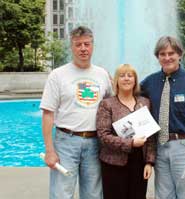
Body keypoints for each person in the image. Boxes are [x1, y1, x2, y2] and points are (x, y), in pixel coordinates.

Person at [40, 26, 113, 199]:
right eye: (78, 44)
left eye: (87, 44)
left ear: (93, 46)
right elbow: (48, 114)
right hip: (66, 142)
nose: (83, 48)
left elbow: (112, 106)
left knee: (94, 194)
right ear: (71, 47)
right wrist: (49, 150)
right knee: (61, 194)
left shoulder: (102, 74)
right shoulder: (57, 75)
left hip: (95, 143)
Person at [141, 36, 185, 199]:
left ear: (180, 54)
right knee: (163, 196)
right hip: (160, 146)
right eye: (162, 54)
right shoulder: (150, 82)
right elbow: (128, 93)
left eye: (171, 53)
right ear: (157, 57)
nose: (167, 58)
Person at [96, 64, 156, 199]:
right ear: (116, 80)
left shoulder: (145, 102)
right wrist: (131, 143)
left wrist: (149, 162)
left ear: (135, 80)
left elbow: (151, 135)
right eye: (122, 76)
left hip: (139, 163)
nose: (126, 79)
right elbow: (103, 136)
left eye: (130, 75)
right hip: (113, 164)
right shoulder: (107, 104)